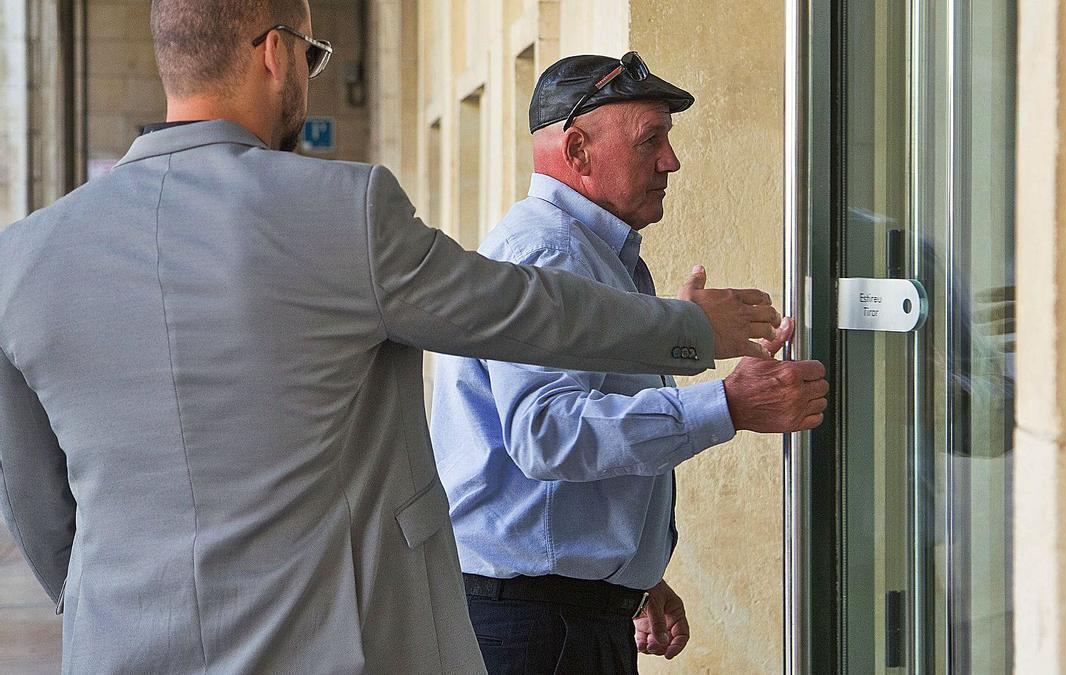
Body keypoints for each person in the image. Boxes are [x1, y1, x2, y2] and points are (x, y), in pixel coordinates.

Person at [0, 3, 782, 672]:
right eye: (311, 53)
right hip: (332, 646)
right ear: (275, 53)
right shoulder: (345, 211)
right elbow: (526, 310)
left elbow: (38, 510)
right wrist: (690, 332)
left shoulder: (22, 261)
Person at [430, 53, 829, 674]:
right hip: (537, 625)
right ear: (578, 149)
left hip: (554, 615)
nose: (671, 162)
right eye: (652, 141)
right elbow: (549, 434)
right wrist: (729, 403)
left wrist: (628, 575)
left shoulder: (585, 250)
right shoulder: (549, 249)